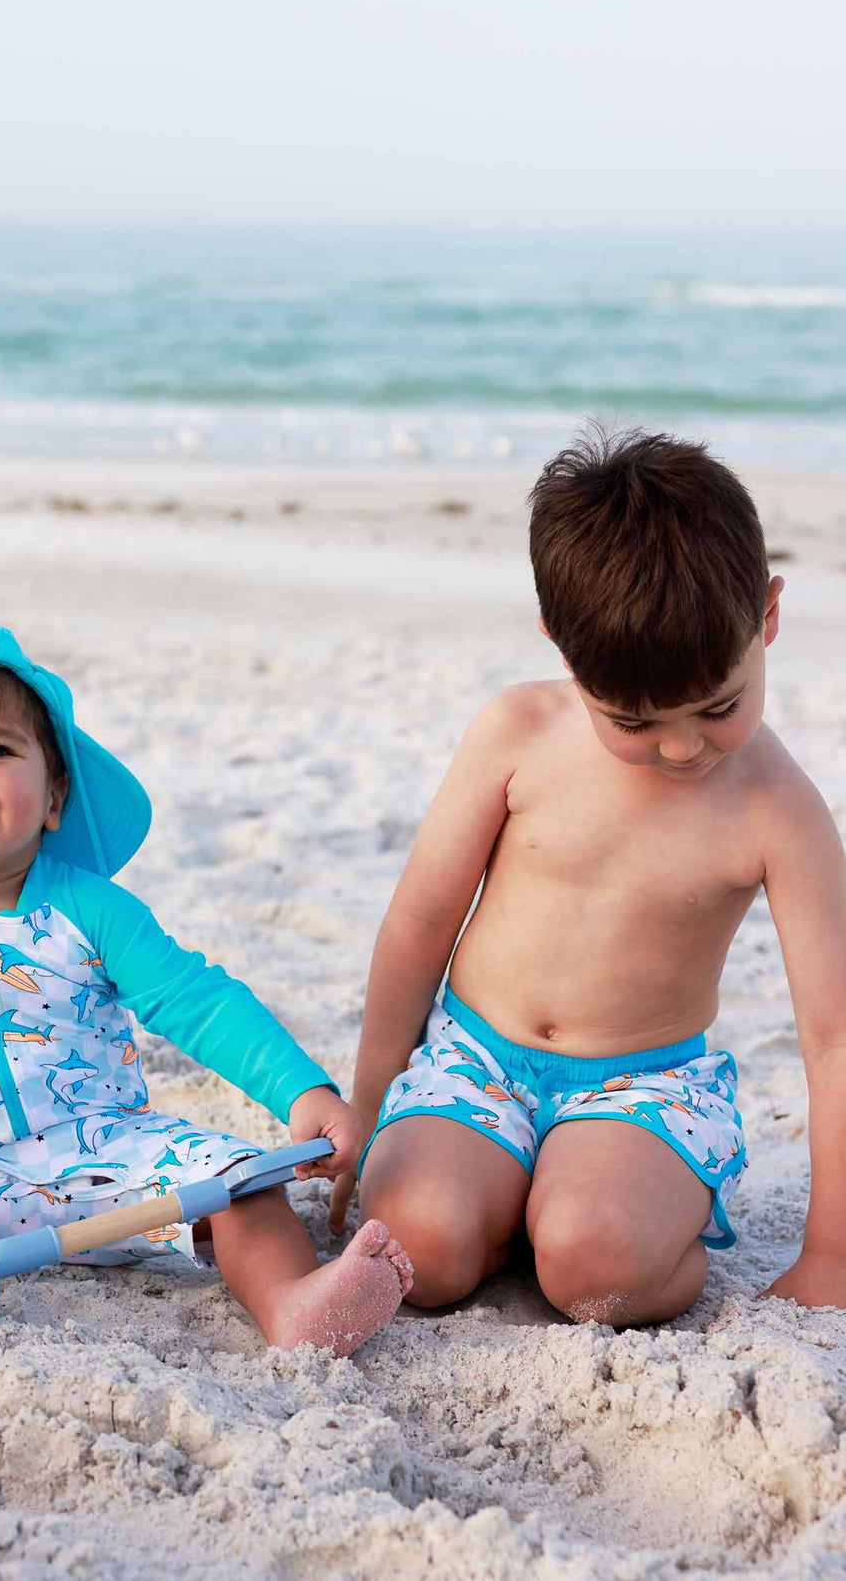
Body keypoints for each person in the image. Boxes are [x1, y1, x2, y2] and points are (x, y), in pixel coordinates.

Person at [0, 626, 412, 1354]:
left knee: (243, 1180)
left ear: (53, 797)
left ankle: (292, 1303)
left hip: (109, 1157)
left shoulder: (90, 909)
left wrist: (303, 1093)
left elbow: (196, 1001)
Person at [329, 425, 846, 1326]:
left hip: (644, 1090)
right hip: (474, 1061)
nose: (683, 748)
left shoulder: (778, 809)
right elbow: (419, 925)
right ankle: (499, 1206)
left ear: (766, 616)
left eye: (719, 706)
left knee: (592, 1270)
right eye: (635, 722)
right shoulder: (518, 734)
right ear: (564, 651)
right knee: (421, 1249)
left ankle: (579, 1211)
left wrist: (833, 1252)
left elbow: (834, 1037)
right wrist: (371, 1108)